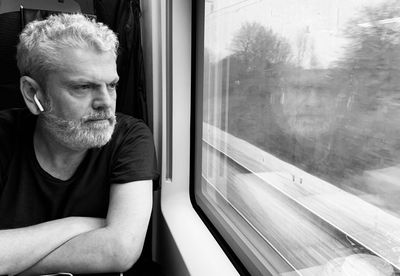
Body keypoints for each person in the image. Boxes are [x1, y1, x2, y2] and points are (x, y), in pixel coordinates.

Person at [0, 13, 159, 275]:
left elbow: (119, 250)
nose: (106, 103)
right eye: (83, 87)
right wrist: (72, 226)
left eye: (112, 85)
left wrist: (10, 260)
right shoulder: (4, 136)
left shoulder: (129, 137)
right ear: (32, 93)